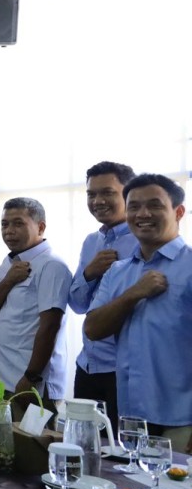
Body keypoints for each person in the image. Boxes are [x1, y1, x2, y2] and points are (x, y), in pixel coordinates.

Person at [87, 174, 192, 450]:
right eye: (134, 206)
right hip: (131, 419)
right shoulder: (119, 271)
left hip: (181, 420)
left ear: (178, 212)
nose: (142, 214)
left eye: (155, 205)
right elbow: (93, 329)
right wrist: (135, 293)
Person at [0, 197, 72, 407]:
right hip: (1, 379)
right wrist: (9, 280)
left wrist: (31, 377)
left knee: (33, 440)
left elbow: (50, 327)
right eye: (4, 224)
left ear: (40, 227)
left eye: (18, 223)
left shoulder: (52, 266)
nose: (9, 231)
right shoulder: (10, 261)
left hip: (31, 382)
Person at [67, 161, 137, 426]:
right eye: (91, 194)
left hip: (123, 369)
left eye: (107, 192)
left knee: (120, 453)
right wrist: (89, 273)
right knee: (83, 445)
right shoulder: (91, 241)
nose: (98, 201)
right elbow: (76, 303)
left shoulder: (143, 239)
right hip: (87, 364)